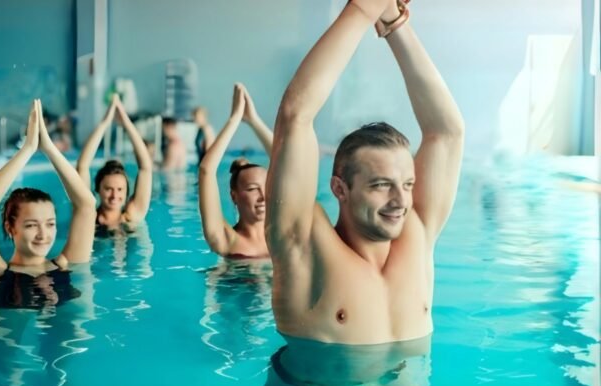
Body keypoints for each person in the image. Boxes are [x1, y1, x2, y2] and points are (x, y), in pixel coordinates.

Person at [266, 0, 464, 346]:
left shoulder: (418, 232)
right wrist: (362, 8)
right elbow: (295, 116)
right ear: (340, 188)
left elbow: (447, 133)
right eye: (381, 185)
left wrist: (394, 24)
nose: (401, 199)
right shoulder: (303, 248)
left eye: (407, 183)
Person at [0, 100, 96, 309]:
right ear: (10, 227)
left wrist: (48, 147)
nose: (43, 234)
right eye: (31, 225)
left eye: (50, 224)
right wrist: (27, 149)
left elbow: (86, 205)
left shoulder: (65, 265)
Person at [198, 84, 273, 259]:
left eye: (266, 187)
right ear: (234, 196)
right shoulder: (225, 239)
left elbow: (287, 162)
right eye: (253, 189)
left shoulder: (281, 236)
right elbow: (206, 171)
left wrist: (254, 121)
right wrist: (234, 119)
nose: (263, 195)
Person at [76, 94, 153, 230]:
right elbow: (82, 166)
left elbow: (145, 167)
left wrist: (126, 121)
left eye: (120, 189)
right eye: (108, 189)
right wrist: (105, 122)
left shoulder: (132, 215)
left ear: (126, 192)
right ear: (98, 189)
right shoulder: (89, 216)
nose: (114, 196)